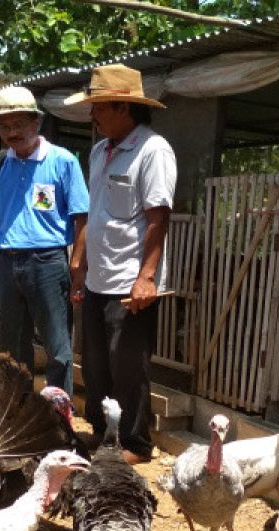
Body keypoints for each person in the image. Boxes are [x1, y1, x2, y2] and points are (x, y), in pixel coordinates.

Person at [68, 64, 176, 465]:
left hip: (130, 280)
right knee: (96, 364)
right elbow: (94, 213)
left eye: (99, 107)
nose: (93, 115)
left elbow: (158, 217)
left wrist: (146, 277)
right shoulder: (99, 151)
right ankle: (104, 433)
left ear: (123, 108)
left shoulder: (153, 150)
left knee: (128, 366)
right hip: (98, 277)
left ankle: (135, 443)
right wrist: (79, 264)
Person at [0, 86, 89, 396]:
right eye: (4, 126)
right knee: (12, 345)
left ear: (35, 123)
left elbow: (82, 218)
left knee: (57, 345)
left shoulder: (63, 161)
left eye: (18, 124)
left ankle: (57, 416)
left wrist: (78, 266)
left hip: (48, 261)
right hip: (6, 261)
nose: (11, 132)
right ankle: (18, 411)